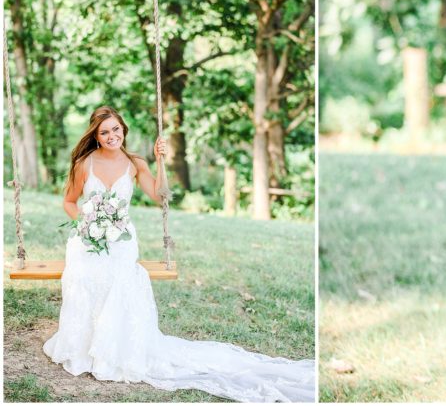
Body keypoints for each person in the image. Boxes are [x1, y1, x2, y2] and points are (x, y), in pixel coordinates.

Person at [44, 106, 314, 402]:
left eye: (116, 129)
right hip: (88, 238)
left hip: (121, 239)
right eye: (104, 131)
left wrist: (160, 161)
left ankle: (114, 347)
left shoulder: (135, 163)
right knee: (85, 272)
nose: (112, 136)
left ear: (124, 130)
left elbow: (161, 196)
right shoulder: (85, 163)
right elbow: (70, 202)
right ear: (95, 136)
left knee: (119, 275)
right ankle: (85, 345)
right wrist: (87, 222)